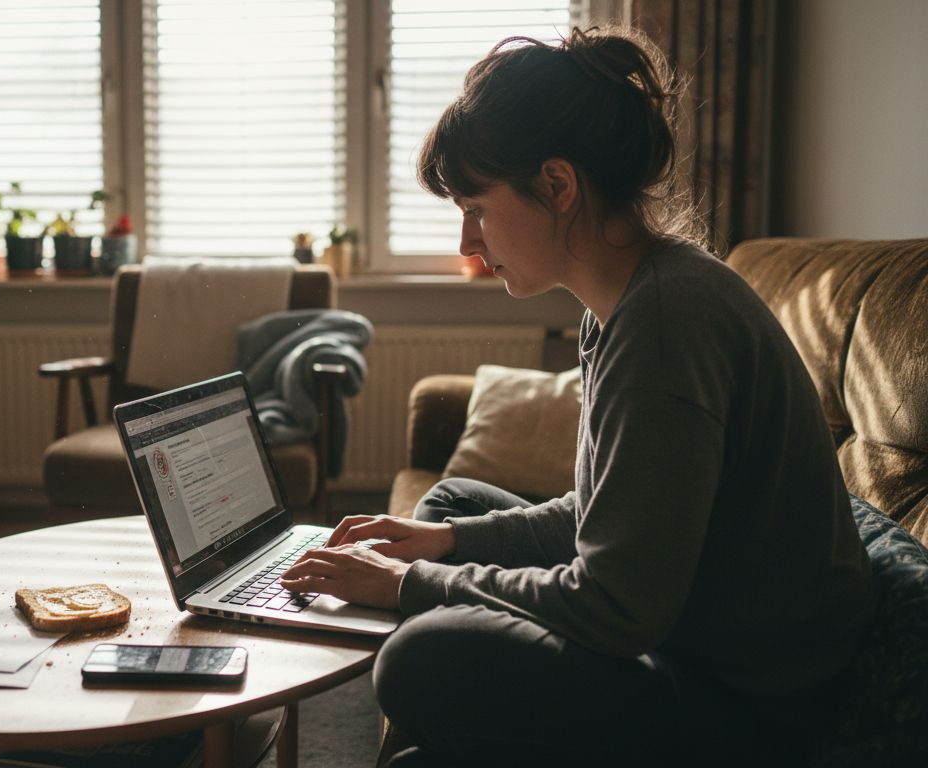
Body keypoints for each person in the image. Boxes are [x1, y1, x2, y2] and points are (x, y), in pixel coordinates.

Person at [279, 27, 876, 766]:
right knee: (451, 506)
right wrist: (442, 548)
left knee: (417, 657)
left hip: (748, 702)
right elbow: (610, 516)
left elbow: (616, 605)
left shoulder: (664, 325)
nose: (468, 243)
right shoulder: (627, 302)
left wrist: (411, 583)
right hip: (684, 627)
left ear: (558, 186)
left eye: (476, 207)